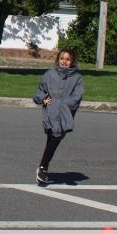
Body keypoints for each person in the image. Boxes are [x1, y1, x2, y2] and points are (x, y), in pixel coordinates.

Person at [32, 49, 84, 185]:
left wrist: (66, 104)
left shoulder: (77, 78)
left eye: (67, 59)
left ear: (72, 61)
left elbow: (77, 96)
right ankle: (43, 168)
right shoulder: (50, 74)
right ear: (58, 59)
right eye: (62, 58)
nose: (64, 62)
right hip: (50, 111)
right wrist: (42, 98)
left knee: (55, 138)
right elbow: (41, 90)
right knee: (52, 138)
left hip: (64, 114)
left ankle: (42, 168)